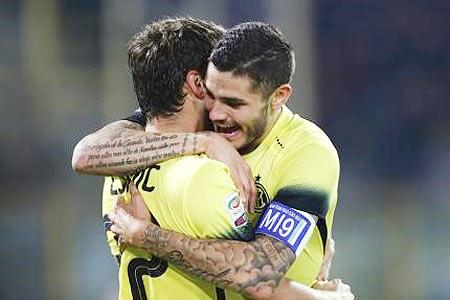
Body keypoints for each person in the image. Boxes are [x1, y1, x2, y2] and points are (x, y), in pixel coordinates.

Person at [75, 18, 352, 300]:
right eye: (212, 95)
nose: (217, 113)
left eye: (233, 103)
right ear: (199, 85)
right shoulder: (201, 170)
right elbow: (85, 154)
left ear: (278, 96)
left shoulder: (305, 152)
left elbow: (259, 269)